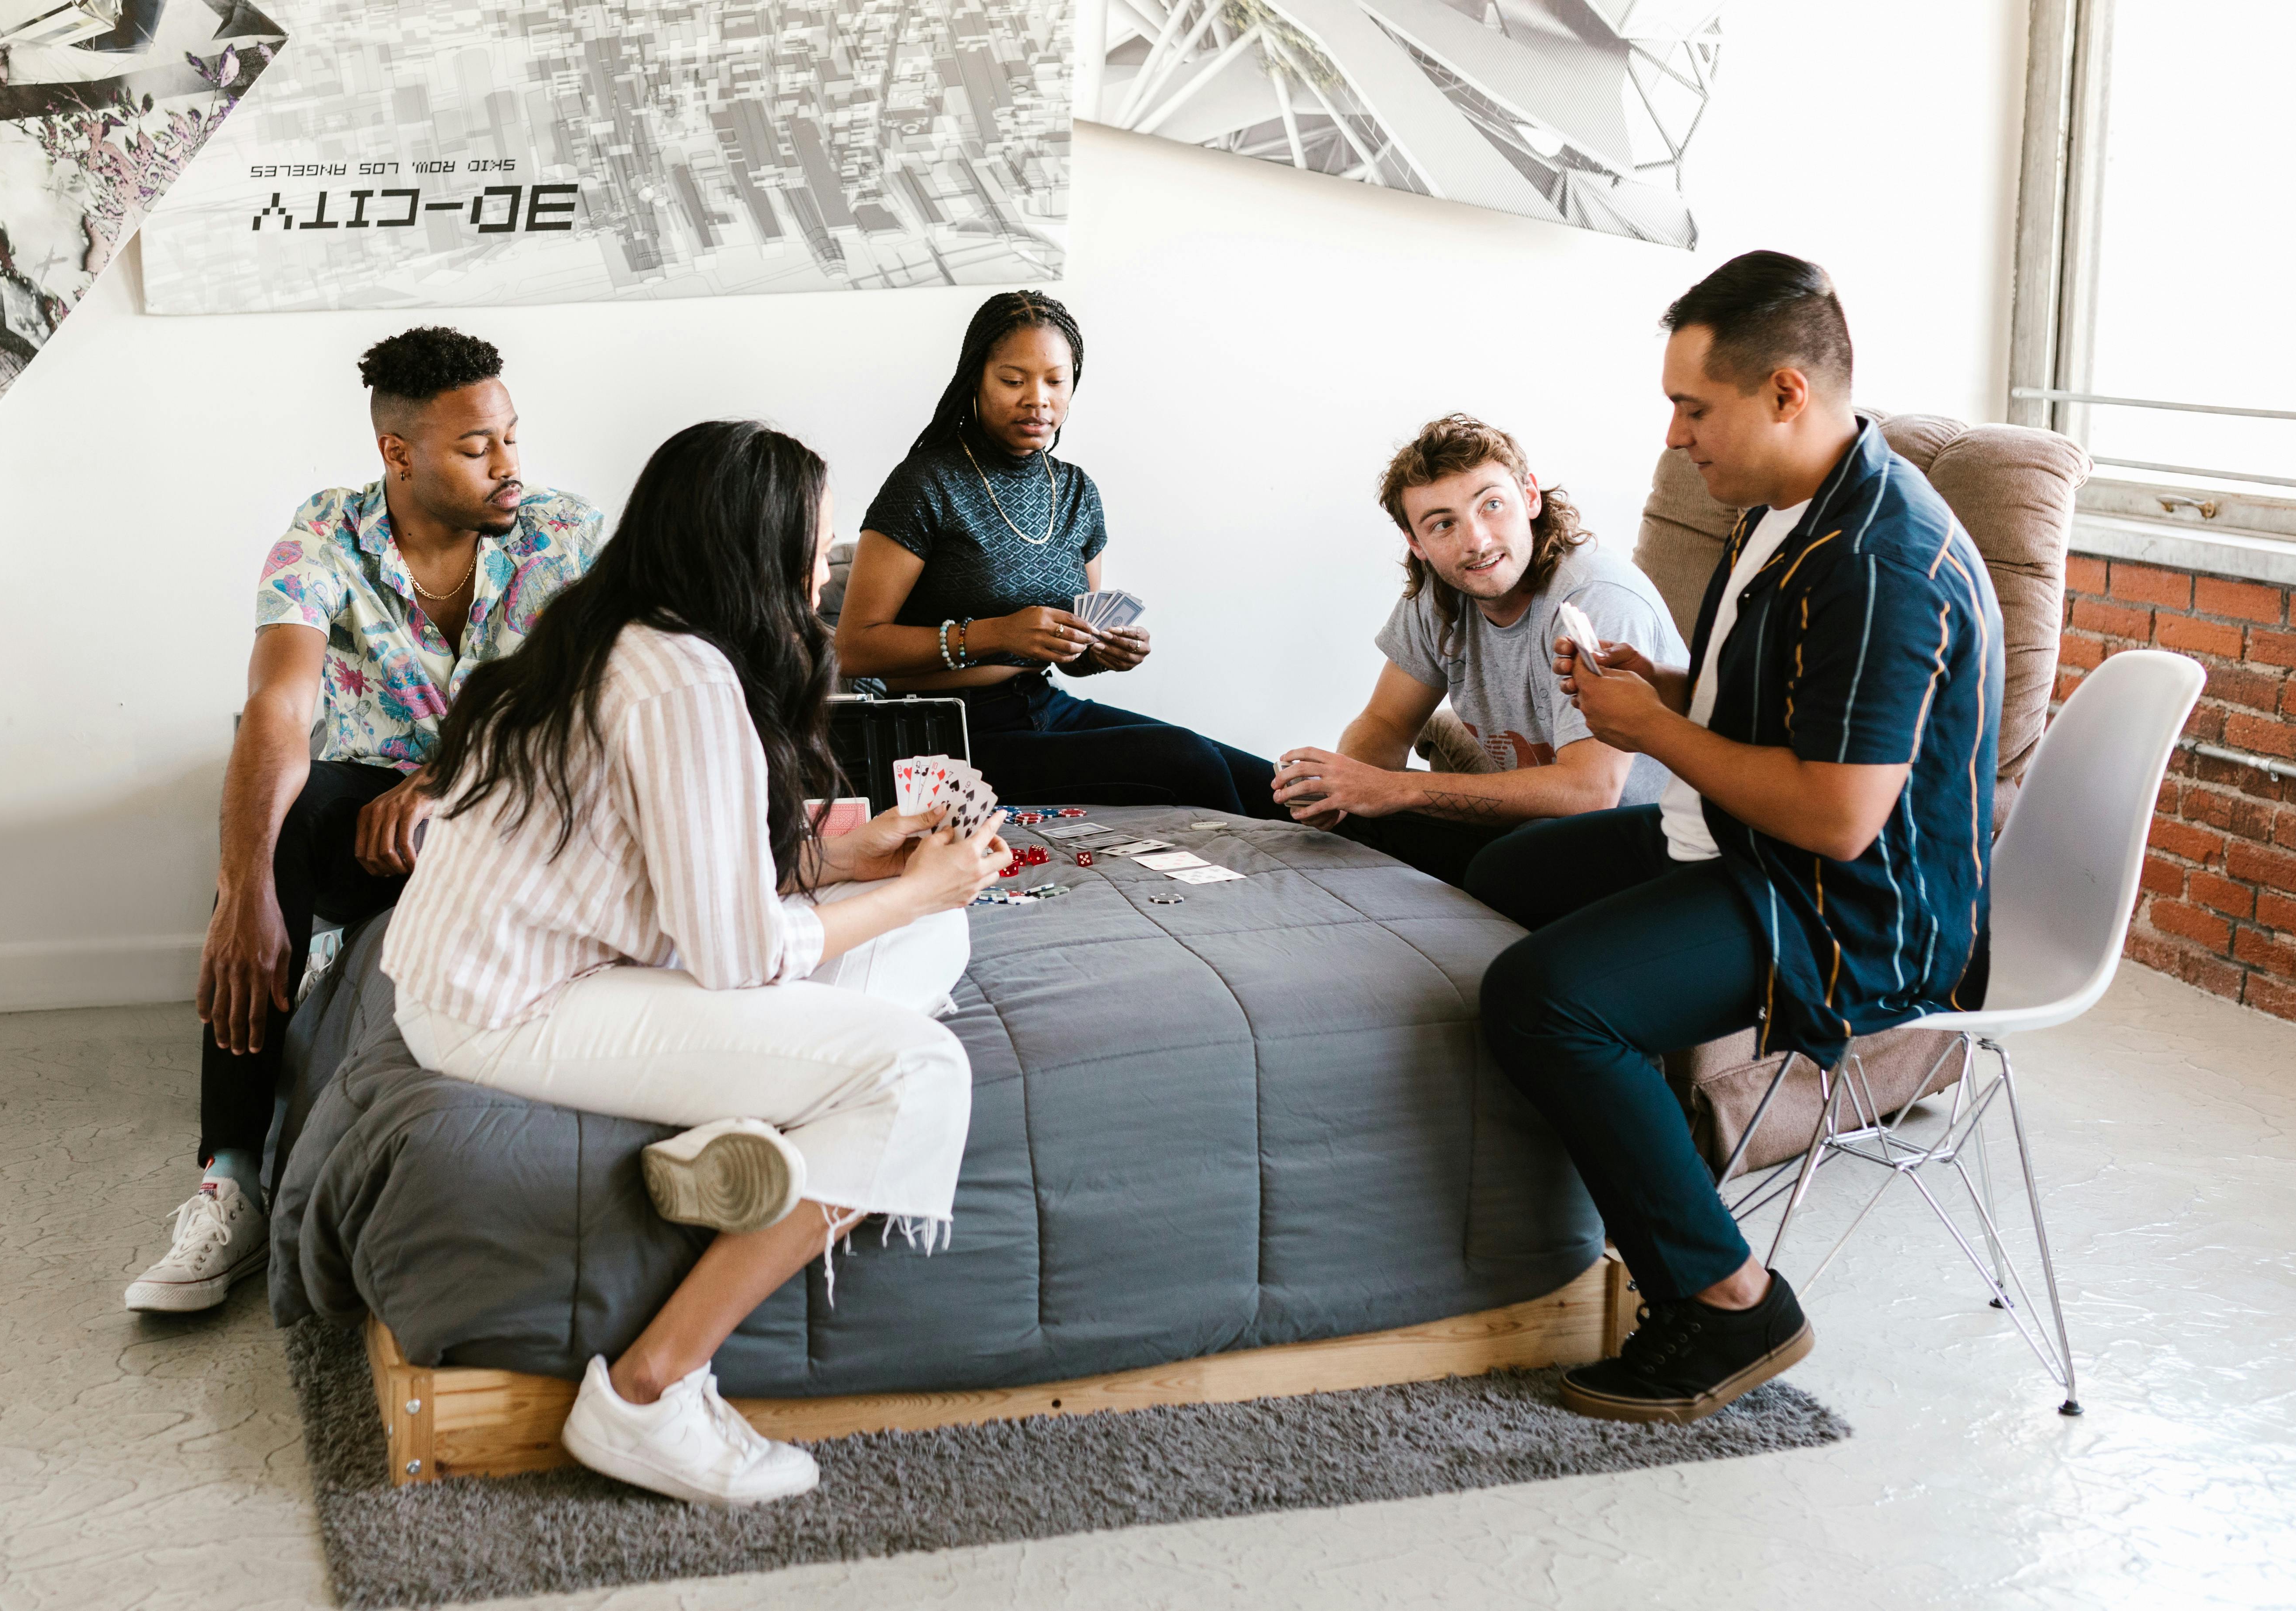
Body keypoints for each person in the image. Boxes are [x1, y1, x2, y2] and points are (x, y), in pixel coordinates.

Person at [382, 420, 1008, 1507]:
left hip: (531, 964)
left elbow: (674, 865)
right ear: (754, 552)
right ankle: (646, 1393)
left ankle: (745, 1134)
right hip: (513, 1005)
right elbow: (734, 955)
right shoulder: (683, 681)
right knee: (921, 1070)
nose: (824, 571)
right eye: (815, 544)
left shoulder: (621, 634)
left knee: (928, 932)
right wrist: (912, 884)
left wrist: (851, 858)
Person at [1472, 252, 2004, 1423]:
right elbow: (1767, 702)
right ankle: (1630, 1152)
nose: (1674, 437)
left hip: (1855, 906)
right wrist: (1657, 682)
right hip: (1758, 847)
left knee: (1539, 996)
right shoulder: (1781, 506)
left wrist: (1654, 724)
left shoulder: (1876, 558)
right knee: (1494, 872)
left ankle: (1725, 1296)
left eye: (1692, 407)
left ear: (1783, 394)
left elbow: (1840, 812)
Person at [125, 328, 603, 1315]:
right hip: (369, 838)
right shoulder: (320, 540)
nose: (509, 464)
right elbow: (277, 710)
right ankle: (231, 1179)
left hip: (508, 807)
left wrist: (448, 776)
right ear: (399, 453)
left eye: (512, 436)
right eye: (479, 448)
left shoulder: (565, 535)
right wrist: (243, 895)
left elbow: (592, 703)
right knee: (292, 821)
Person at [834, 290, 1277, 817]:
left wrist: (1102, 652)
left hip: (1044, 707)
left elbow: (1074, 650)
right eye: (1013, 380)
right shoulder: (925, 483)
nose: (1037, 399)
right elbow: (855, 649)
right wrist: (998, 632)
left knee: (1269, 782)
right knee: (1185, 760)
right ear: (975, 378)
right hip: (945, 733)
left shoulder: (1076, 492)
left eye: (1054, 380)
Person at [1272, 414, 1686, 888]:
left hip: (1650, 840)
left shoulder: (1594, 597)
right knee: (1324, 827)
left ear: (1529, 496)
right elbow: (1384, 723)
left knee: (1504, 865)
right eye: (1442, 523)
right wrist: (1342, 792)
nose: (1476, 541)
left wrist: (1394, 789)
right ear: (1416, 542)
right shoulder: (1439, 596)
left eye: (1491, 505)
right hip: (1529, 832)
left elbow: (1588, 792)